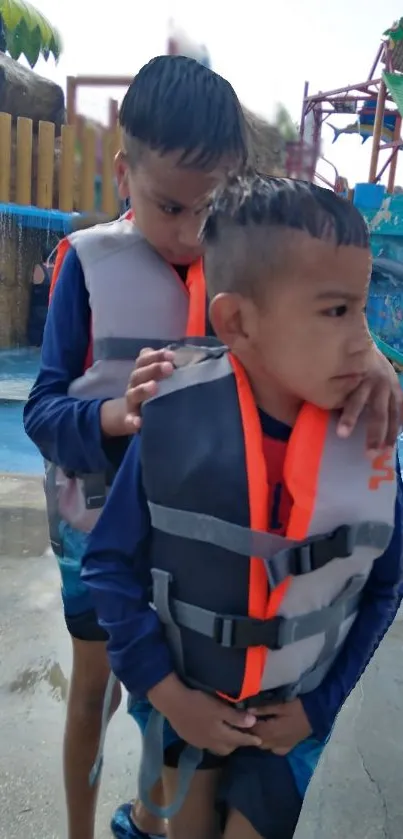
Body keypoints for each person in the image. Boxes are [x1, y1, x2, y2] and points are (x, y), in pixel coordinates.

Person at [81, 177, 403, 839]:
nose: (360, 339)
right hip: (185, 698)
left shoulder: (371, 437)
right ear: (237, 322)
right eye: (334, 311)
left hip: (295, 715)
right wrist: (169, 696)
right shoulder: (172, 421)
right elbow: (108, 569)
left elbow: (384, 584)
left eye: (361, 307)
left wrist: (320, 706)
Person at [23, 55, 248, 839]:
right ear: (124, 174)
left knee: (175, 702)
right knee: (96, 690)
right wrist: (116, 413)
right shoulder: (86, 267)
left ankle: (149, 822)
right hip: (91, 528)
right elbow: (43, 411)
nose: (191, 233)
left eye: (210, 210)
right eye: (168, 206)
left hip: (185, 542)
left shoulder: (244, 271)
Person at [27, 245, 54, 347]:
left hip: (38, 313)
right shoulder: (57, 270)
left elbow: (32, 282)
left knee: (35, 344)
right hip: (51, 312)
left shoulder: (39, 268)